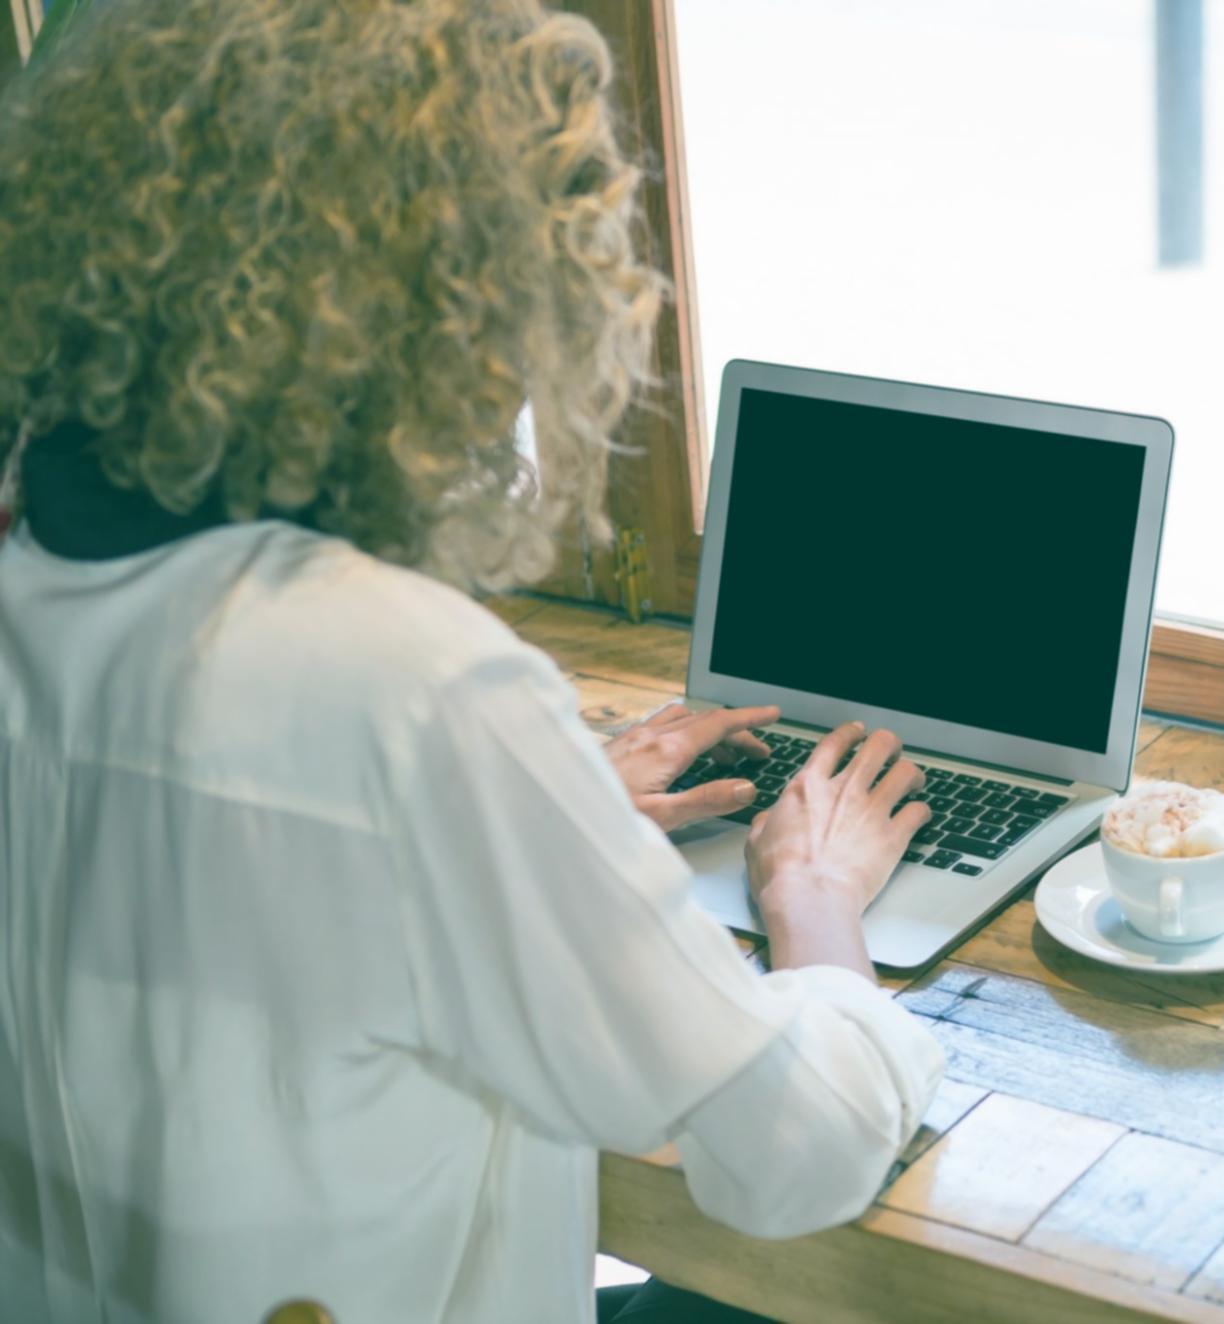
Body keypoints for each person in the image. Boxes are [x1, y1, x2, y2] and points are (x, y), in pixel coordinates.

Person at [0, 2, 943, 1321]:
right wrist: (820, 899)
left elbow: (210, 897)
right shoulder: (410, 685)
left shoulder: (35, 555)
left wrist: (535, 822)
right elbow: (798, 1150)